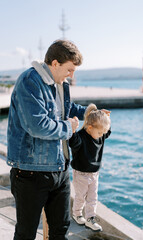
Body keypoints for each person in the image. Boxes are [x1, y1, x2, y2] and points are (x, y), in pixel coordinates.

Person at [7, 39, 86, 240]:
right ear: (55, 63)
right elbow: (37, 126)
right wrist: (70, 127)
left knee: (60, 232)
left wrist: (92, 113)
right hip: (31, 173)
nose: (72, 75)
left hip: (60, 170)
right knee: (26, 234)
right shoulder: (29, 82)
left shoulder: (61, 83)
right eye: (70, 70)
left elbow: (66, 109)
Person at [69, 103, 111, 232]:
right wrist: (72, 129)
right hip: (81, 173)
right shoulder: (81, 136)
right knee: (80, 196)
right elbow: (73, 142)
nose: (102, 135)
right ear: (90, 127)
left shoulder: (99, 134)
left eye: (103, 132)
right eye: (99, 132)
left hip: (94, 174)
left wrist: (106, 118)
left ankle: (90, 218)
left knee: (93, 198)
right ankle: (77, 214)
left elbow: (106, 131)